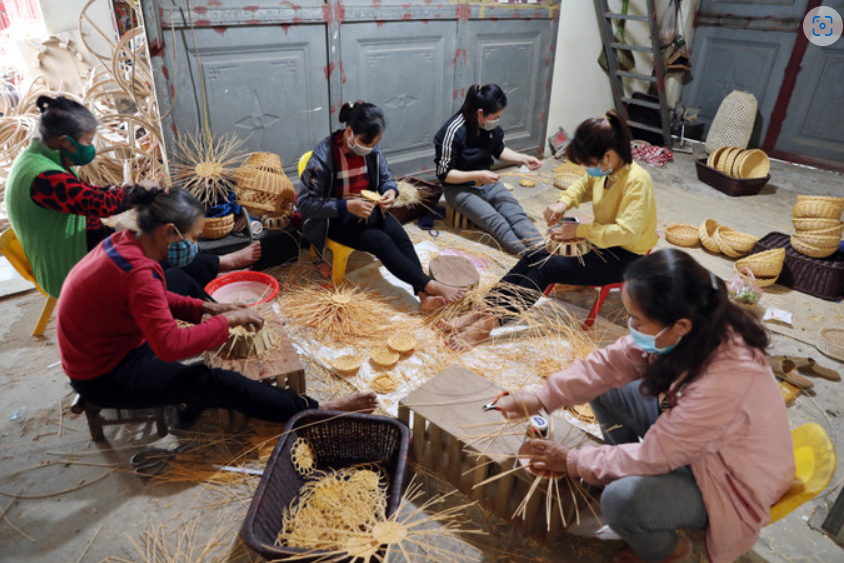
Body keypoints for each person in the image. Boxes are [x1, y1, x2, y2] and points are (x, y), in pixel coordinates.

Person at [493, 249, 795, 563]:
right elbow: (610, 364)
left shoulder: (724, 381)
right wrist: (542, 398)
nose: (631, 326)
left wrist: (572, 460)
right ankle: (619, 474)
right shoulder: (697, 324)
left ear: (680, 326)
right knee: (606, 388)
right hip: (698, 445)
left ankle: (669, 552)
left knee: (621, 501)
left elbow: (655, 455)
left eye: (638, 320)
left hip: (729, 480)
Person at [57, 187, 378, 426]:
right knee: (216, 382)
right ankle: (315, 408)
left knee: (179, 279)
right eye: (193, 238)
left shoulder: (125, 241)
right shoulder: (139, 272)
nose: (194, 246)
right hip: (103, 374)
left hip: (108, 345)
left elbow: (156, 296)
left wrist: (209, 310)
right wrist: (225, 324)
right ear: (168, 232)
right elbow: (169, 346)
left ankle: (186, 404)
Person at [4, 95, 260, 299]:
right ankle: (211, 276)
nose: (90, 147)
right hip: (67, 266)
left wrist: (122, 188)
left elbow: (83, 193)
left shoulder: (42, 158)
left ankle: (216, 266)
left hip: (77, 242)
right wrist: (139, 191)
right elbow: (99, 205)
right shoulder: (41, 176)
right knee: (157, 252)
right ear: (64, 141)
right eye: (88, 141)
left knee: (154, 245)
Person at [441, 110, 658, 349]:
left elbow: (627, 233)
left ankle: (485, 326)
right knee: (534, 253)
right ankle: (479, 312)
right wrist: (563, 202)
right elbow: (583, 185)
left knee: (547, 267)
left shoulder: (637, 181)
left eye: (589, 163)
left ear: (608, 156)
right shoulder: (608, 169)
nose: (588, 169)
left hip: (625, 257)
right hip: (601, 242)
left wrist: (579, 231)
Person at [298, 101, 465, 312]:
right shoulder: (323, 156)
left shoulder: (372, 148)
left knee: (399, 235)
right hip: (334, 218)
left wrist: (390, 191)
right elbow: (305, 204)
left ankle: (423, 296)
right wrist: (345, 206)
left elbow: (386, 177)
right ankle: (430, 285)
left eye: (376, 143)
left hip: (366, 209)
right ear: (349, 132)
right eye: (366, 143)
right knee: (379, 241)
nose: (371, 148)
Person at [433, 83, 543, 256]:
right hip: (459, 188)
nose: (497, 120)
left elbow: (498, 150)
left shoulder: (490, 126)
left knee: (515, 212)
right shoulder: (453, 131)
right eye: (495, 116)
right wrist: (478, 175)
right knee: (497, 222)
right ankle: (533, 258)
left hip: (487, 182)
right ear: (480, 113)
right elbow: (444, 174)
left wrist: (523, 158)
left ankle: (543, 250)